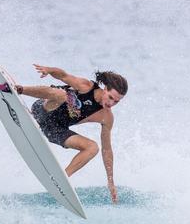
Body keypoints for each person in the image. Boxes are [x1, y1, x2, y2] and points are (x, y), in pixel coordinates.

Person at [16, 64, 128, 203]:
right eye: (110, 97)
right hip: (43, 111)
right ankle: (18, 89)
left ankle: (61, 180)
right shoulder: (87, 87)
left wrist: (110, 181)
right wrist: (49, 70)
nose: (112, 103)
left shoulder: (106, 117)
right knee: (62, 95)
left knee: (93, 148)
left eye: (116, 101)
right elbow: (63, 75)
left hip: (55, 130)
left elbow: (107, 149)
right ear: (105, 89)